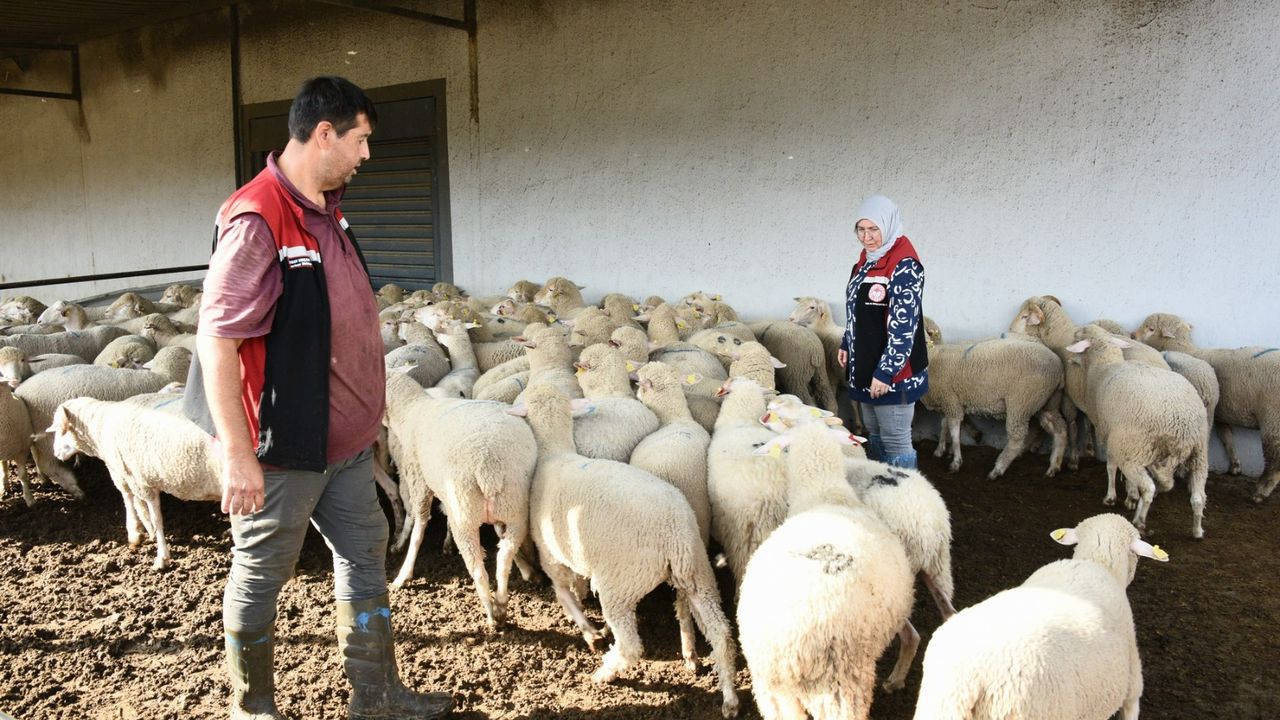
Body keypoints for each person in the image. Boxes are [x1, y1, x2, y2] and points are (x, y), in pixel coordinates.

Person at [184, 76, 454, 720]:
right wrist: (239, 455)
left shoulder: (328, 206)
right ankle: (251, 708)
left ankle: (376, 694)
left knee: (365, 551)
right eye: (361, 140)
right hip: (284, 449)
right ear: (325, 134)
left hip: (347, 447)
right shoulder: (259, 219)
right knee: (261, 574)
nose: (367, 155)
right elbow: (217, 342)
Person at [837, 195, 928, 469]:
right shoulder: (867, 259)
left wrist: (886, 372)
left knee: (896, 440)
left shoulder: (904, 264)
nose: (867, 237)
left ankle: (905, 503)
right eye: (861, 230)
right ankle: (880, 493)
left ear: (888, 226)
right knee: (874, 434)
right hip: (867, 365)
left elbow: (904, 325)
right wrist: (847, 342)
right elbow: (857, 309)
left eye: (874, 229)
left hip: (892, 374)